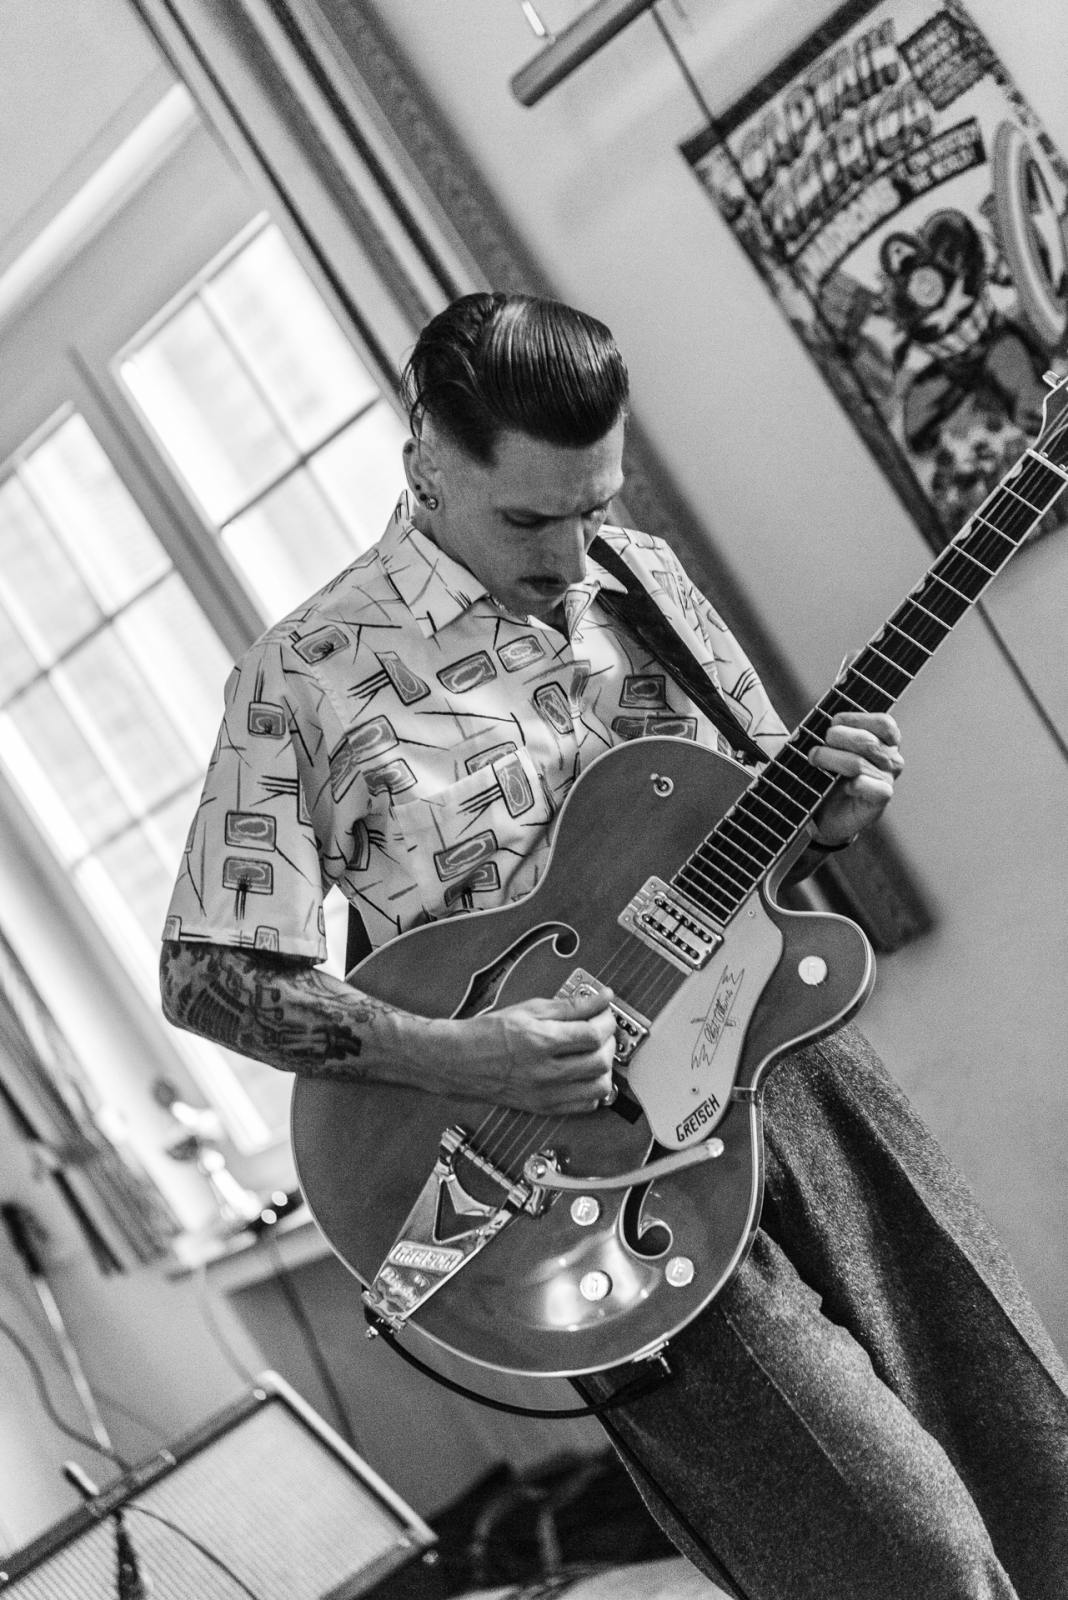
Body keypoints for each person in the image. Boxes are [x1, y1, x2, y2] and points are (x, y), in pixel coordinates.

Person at [160, 292, 1068, 1600]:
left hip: (794, 1070)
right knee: (899, 1557)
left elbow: (747, 836)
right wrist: (467, 1053)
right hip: (579, 1181)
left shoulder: (643, 578)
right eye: (529, 519)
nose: (572, 554)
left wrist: (825, 815)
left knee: (1029, 1450)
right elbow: (208, 977)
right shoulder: (304, 676)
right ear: (426, 460)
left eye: (593, 506)